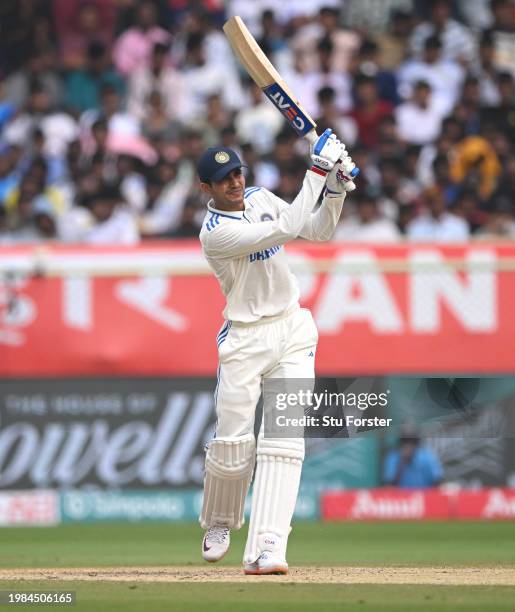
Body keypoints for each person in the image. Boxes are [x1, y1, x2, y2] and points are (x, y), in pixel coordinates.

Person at [197, 130, 357, 575]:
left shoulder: (261, 196)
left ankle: (268, 546)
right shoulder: (215, 234)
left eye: (236, 173)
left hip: (292, 328)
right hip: (245, 339)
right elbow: (285, 229)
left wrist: (336, 190)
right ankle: (220, 521)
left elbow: (317, 230)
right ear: (204, 189)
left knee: (284, 441)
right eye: (222, 178)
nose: (233, 182)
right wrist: (320, 170)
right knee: (232, 443)